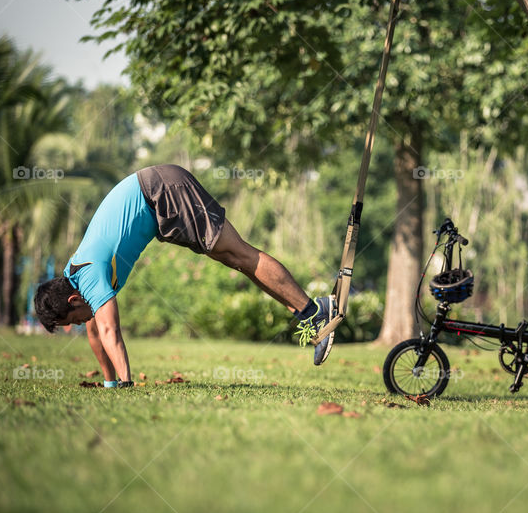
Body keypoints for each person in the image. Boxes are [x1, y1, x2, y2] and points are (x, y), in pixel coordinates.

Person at [34, 164, 336, 387]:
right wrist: (109, 383)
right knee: (235, 261)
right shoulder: (72, 276)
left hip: (162, 191)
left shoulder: (89, 278)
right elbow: (95, 331)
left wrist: (125, 384)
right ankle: (306, 313)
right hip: (158, 198)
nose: (82, 323)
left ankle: (315, 311)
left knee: (239, 253)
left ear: (73, 299)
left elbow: (110, 331)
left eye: (73, 320)